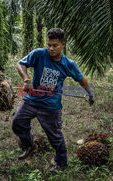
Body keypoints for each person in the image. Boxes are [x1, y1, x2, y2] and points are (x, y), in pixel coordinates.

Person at [12, 28, 94, 172]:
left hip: (51, 106)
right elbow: (20, 64)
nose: (51, 48)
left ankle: (61, 162)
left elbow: (81, 79)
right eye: (49, 44)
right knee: (17, 122)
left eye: (55, 45)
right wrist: (26, 79)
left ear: (63, 44)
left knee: (55, 137)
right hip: (31, 99)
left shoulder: (69, 64)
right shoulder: (39, 54)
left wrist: (90, 94)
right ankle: (29, 145)